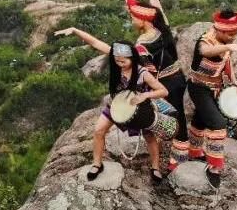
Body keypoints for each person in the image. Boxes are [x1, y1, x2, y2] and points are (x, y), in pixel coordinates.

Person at [54, 28, 171, 185]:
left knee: (149, 136)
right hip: (116, 104)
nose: (120, 64)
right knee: (98, 130)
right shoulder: (117, 58)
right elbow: (95, 42)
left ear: (133, 58)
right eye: (117, 61)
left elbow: (163, 91)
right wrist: (75, 31)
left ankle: (155, 167)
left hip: (138, 107)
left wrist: (145, 95)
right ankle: (97, 164)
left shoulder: (142, 72)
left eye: (124, 61)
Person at [127, 0, 190, 171]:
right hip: (178, 77)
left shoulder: (141, 43)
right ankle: (177, 148)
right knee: (176, 112)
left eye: (133, 17)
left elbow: (141, 69)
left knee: (176, 115)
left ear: (143, 20)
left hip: (166, 83)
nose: (131, 21)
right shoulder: (161, 24)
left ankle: (180, 156)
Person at [187, 8, 237, 187]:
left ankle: (194, 152)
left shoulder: (226, 43)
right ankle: (214, 167)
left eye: (236, 33)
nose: (233, 37)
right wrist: (229, 46)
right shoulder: (205, 40)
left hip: (214, 88)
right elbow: (206, 51)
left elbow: (226, 61)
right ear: (220, 30)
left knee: (200, 120)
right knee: (218, 124)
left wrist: (234, 80)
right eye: (231, 33)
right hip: (198, 87)